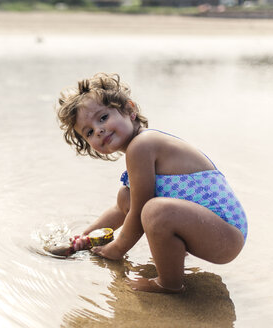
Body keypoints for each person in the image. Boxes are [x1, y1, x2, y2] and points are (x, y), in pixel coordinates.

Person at [56, 73, 247, 293]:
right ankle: (173, 254)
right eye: (89, 132)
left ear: (130, 109)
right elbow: (123, 209)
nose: (98, 130)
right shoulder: (139, 149)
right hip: (211, 229)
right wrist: (87, 237)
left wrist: (117, 248)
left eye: (103, 118)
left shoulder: (142, 145)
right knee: (126, 197)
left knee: (153, 210)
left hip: (226, 235)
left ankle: (169, 284)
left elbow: (139, 212)